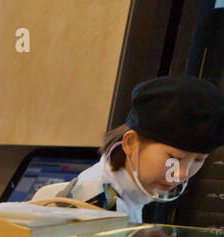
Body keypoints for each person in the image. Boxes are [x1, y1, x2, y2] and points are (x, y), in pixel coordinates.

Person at [33, 75, 224, 225]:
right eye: (173, 158)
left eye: (198, 160)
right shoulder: (97, 202)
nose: (181, 174)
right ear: (131, 143)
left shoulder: (127, 196)